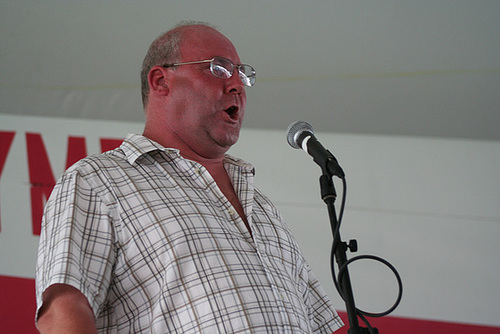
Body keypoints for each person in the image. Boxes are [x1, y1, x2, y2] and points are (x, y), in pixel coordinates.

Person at [35, 22, 344, 333]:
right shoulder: (98, 181)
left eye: (242, 74)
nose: (236, 84)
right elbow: (63, 312)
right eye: (219, 69)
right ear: (161, 81)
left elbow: (316, 323)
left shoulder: (262, 207)